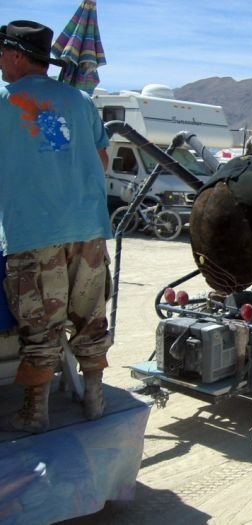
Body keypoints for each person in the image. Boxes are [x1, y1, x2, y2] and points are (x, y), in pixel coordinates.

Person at [0, 20, 113, 433]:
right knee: (90, 315)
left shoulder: (3, 100)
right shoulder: (81, 102)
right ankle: (96, 398)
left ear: (14, 55)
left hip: (36, 231)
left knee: (41, 322)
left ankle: (35, 410)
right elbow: (101, 161)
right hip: (88, 227)